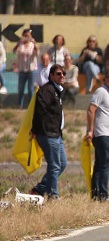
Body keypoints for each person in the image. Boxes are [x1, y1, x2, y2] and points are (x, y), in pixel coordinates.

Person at [29, 63, 67, 199]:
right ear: (51, 75)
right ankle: (53, 195)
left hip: (57, 134)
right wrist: (36, 130)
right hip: (48, 134)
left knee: (62, 163)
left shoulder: (57, 90)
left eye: (64, 74)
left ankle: (40, 188)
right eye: (58, 73)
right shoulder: (47, 90)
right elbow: (39, 111)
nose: (62, 76)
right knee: (55, 165)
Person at [85, 67, 109, 201]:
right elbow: (91, 110)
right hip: (101, 134)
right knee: (107, 164)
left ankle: (96, 195)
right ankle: (103, 195)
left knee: (100, 165)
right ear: (105, 79)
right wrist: (90, 130)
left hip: (105, 134)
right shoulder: (101, 91)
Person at [13, 28, 38, 108]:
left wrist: (35, 44)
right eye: (25, 36)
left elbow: (37, 53)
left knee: (30, 89)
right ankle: (20, 105)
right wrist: (18, 44)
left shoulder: (32, 45)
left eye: (28, 36)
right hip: (22, 70)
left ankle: (31, 106)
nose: (27, 37)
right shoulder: (21, 45)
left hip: (31, 69)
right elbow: (14, 51)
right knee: (21, 89)